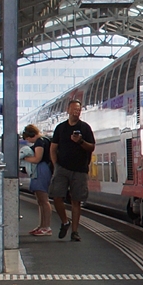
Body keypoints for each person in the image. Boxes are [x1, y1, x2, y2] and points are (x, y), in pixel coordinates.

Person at [49, 100, 95, 241]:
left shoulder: (85, 128)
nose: (76, 112)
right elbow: (53, 148)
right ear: (68, 110)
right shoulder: (60, 128)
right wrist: (56, 165)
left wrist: (80, 141)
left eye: (78, 110)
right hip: (62, 168)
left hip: (80, 169)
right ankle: (65, 221)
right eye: (74, 109)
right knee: (57, 197)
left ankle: (75, 232)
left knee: (76, 200)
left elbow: (91, 147)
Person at [21, 124, 54, 236]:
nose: (28, 141)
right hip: (43, 169)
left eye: (28, 139)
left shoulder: (40, 142)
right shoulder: (45, 140)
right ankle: (42, 226)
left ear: (31, 135)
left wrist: (25, 158)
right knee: (40, 200)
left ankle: (46, 227)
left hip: (41, 170)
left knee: (43, 199)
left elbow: (37, 159)